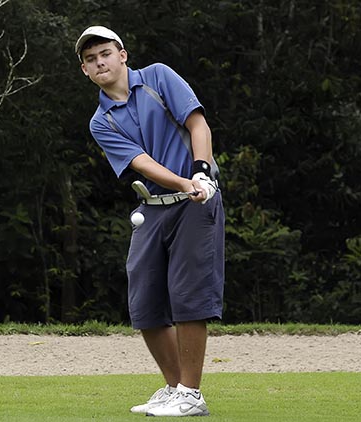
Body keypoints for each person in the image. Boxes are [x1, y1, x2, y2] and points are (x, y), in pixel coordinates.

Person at [74, 25, 224, 417]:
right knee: (143, 301)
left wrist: (201, 171)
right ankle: (175, 387)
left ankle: (191, 394)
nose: (99, 62)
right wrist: (182, 181)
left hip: (197, 201)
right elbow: (141, 163)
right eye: (90, 59)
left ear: (122, 54)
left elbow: (197, 124)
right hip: (155, 206)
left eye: (104, 53)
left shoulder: (159, 76)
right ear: (85, 71)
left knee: (189, 296)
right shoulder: (100, 121)